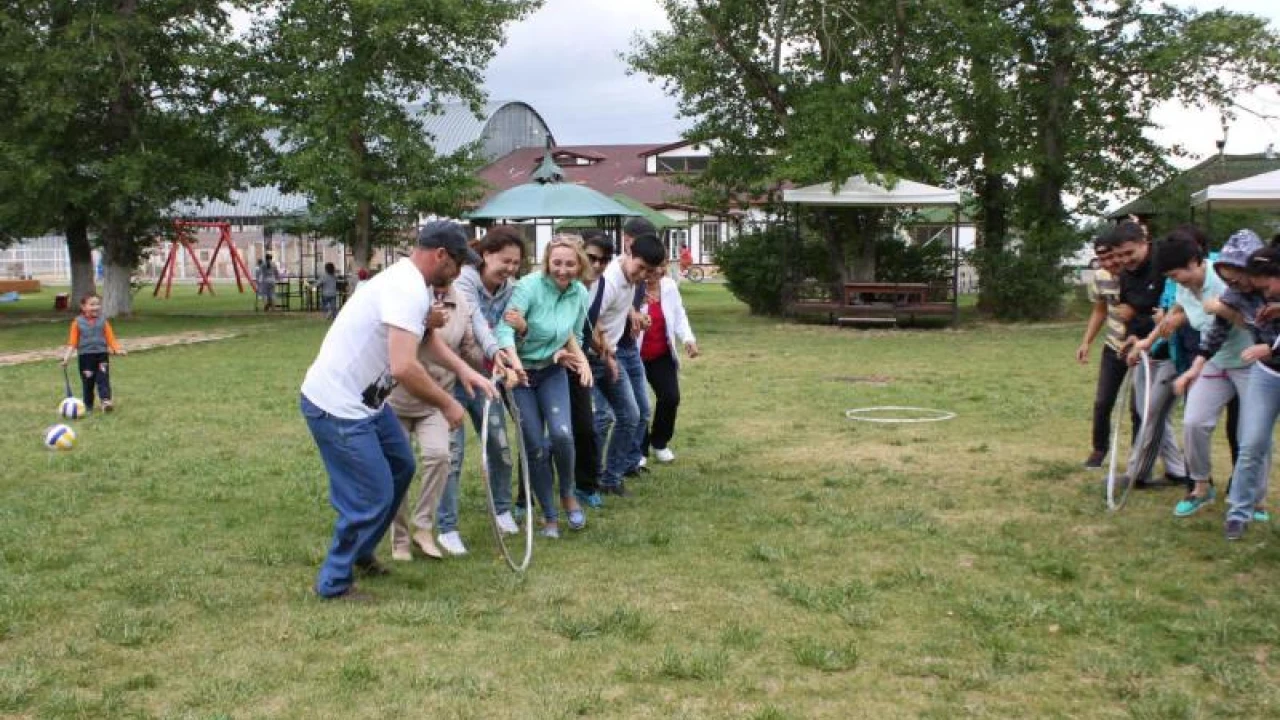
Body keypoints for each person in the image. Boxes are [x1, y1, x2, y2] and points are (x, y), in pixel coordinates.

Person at [298, 221, 495, 601]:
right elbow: (404, 367)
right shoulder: (405, 288)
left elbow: (426, 339)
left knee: (401, 466)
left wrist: (465, 371)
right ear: (440, 255)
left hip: (365, 404)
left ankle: (361, 552)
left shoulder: (412, 285)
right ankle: (334, 584)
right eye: (457, 264)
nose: (458, 273)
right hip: (337, 407)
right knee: (370, 495)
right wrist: (448, 403)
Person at [1143, 230, 1258, 518]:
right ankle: (1201, 487)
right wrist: (1150, 339)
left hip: (1249, 361)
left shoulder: (1225, 280)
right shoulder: (1184, 286)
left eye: (1176, 274)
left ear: (1196, 261)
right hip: (1213, 360)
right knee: (1194, 423)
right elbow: (1179, 309)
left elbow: (1253, 323)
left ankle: (1255, 500)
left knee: (1252, 434)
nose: (1174, 280)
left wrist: (1223, 309)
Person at [496, 234, 595, 538]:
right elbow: (505, 328)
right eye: (556, 263)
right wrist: (514, 365)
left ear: (579, 265)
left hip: (552, 371)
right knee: (536, 445)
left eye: (569, 264)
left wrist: (573, 357)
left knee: (563, 435)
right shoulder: (529, 287)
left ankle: (568, 494)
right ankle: (549, 516)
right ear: (547, 262)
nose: (562, 269)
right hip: (520, 376)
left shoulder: (579, 292)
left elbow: (575, 334)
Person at [386, 269, 487, 561]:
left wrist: (494, 365)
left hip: (436, 399)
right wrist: (423, 322)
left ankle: (423, 527)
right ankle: (400, 539)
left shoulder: (462, 303)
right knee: (399, 469)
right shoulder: (411, 299)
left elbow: (467, 349)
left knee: (440, 457)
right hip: (397, 399)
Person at [437, 226, 526, 555]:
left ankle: (502, 508)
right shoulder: (465, 282)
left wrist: (514, 345)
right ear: (486, 255)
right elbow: (476, 324)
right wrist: (496, 355)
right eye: (506, 260)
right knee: (452, 455)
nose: (511, 269)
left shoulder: (511, 289)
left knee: (500, 446)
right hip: (451, 380)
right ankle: (447, 527)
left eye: (516, 263)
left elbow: (505, 331)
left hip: (486, 382)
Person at [1209, 237, 1280, 540]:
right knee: (1251, 443)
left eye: (1266, 288)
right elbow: (1219, 325)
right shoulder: (1249, 295)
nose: (1263, 295)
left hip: (1268, 359)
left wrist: (1271, 346)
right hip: (1267, 376)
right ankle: (1238, 513)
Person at [1109, 221, 1189, 488]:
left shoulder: (1164, 264)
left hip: (1170, 350)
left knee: (1152, 413)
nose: (1124, 260)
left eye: (1129, 253)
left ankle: (1138, 474)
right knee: (1150, 412)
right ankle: (1178, 470)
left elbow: (1169, 310)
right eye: (1119, 255)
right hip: (1144, 348)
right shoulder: (1126, 274)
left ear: (1145, 243)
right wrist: (1133, 339)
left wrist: (1147, 336)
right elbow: (1132, 310)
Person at [586, 231, 665, 496]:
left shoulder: (631, 280)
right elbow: (587, 320)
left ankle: (611, 478)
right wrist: (605, 351)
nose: (642, 275)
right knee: (599, 418)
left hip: (611, 354)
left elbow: (617, 311)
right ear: (629, 254)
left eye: (649, 271)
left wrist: (633, 314)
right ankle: (589, 475)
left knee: (631, 415)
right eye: (640, 267)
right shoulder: (608, 282)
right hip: (589, 357)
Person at [1077, 234, 1137, 468]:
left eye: (1111, 257)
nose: (1108, 264)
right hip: (1113, 347)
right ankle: (1099, 449)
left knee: (1137, 408)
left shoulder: (1135, 276)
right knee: (1102, 402)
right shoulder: (1100, 277)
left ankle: (1137, 456)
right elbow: (1100, 310)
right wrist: (1086, 342)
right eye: (1102, 259)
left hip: (1138, 349)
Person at [640, 258, 699, 463]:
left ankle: (659, 442)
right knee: (640, 406)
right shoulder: (632, 288)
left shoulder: (669, 286)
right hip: (634, 356)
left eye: (660, 266)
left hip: (661, 354)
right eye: (650, 267)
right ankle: (639, 451)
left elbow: (678, 314)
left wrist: (688, 339)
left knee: (670, 397)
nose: (655, 272)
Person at [60, 292, 126, 412]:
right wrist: (66, 358)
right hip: (85, 358)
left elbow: (110, 338)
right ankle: (88, 405)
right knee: (88, 382)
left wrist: (117, 349)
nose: (96, 307)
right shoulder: (77, 323)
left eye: (98, 304)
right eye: (92, 304)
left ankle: (106, 402)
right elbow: (72, 343)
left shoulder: (103, 321)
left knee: (103, 379)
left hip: (101, 356)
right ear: (83, 307)